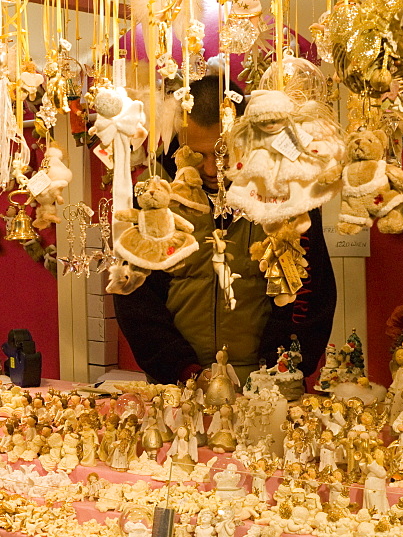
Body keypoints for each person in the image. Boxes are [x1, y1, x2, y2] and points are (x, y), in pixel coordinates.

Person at [114, 74, 336, 385]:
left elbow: (313, 293)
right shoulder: (155, 198)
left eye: (223, 154)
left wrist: (279, 369)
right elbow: (136, 302)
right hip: (178, 385)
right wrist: (183, 370)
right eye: (198, 154)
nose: (209, 169)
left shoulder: (287, 195)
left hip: (268, 384)